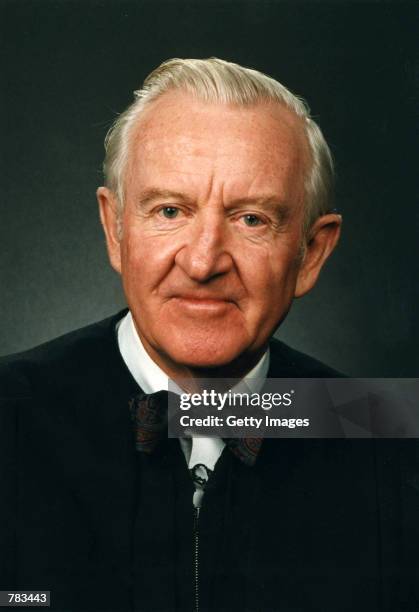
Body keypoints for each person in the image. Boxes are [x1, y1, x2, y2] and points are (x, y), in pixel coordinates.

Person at [0, 58, 415, 612]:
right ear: (115, 229)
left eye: (251, 220)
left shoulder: (386, 436)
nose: (202, 262)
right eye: (170, 210)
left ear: (311, 253)